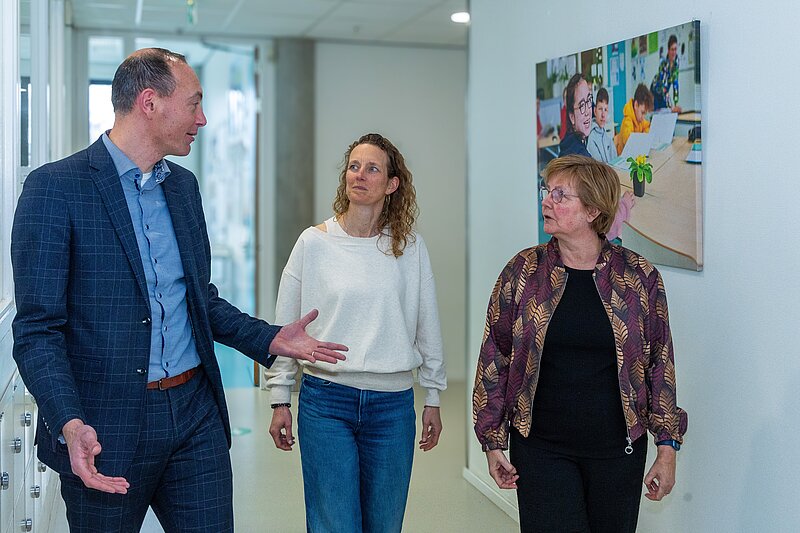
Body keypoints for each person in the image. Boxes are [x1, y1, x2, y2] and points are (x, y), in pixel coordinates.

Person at [11, 48, 347, 532]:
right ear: (150, 103)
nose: (203, 119)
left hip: (194, 415)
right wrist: (68, 420)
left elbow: (199, 300)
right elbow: (38, 329)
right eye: (194, 104)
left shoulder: (182, 188)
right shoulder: (55, 188)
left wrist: (268, 338)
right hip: (105, 425)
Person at [473, 155, 687, 533]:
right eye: (546, 191)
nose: (546, 201)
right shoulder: (523, 272)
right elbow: (496, 357)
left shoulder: (639, 278)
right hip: (541, 450)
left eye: (560, 194)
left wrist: (667, 446)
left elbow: (659, 365)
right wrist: (493, 440)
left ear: (592, 210)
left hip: (617, 452)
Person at [265, 133, 447, 533]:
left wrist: (432, 394)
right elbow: (285, 328)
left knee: (384, 525)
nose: (359, 175)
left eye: (372, 168)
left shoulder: (409, 249)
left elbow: (427, 325)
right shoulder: (313, 244)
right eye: (353, 166)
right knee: (334, 525)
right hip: (326, 402)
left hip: (392, 406)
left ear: (392, 184)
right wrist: (280, 396)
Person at [558, 73, 593, 157]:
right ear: (572, 117)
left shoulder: (569, 142)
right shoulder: (580, 156)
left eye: (589, 100)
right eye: (581, 105)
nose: (588, 111)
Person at [615, 83, 654, 155]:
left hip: (635, 155)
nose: (643, 118)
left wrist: (644, 135)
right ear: (636, 105)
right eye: (642, 113)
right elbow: (630, 142)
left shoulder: (640, 120)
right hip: (624, 160)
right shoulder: (627, 121)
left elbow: (648, 127)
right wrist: (644, 138)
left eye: (645, 114)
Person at [650, 34, 682, 113]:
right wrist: (671, 106)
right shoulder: (663, 64)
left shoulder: (676, 65)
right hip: (656, 91)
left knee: (667, 113)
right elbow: (663, 87)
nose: (674, 52)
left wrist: (676, 103)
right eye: (672, 49)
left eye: (675, 49)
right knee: (659, 114)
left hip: (664, 93)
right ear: (668, 50)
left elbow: (675, 85)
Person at [586, 87, 615, 163]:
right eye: (600, 109)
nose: (603, 115)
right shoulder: (591, 137)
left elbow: (615, 160)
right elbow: (599, 168)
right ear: (595, 111)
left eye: (605, 110)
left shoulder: (607, 135)